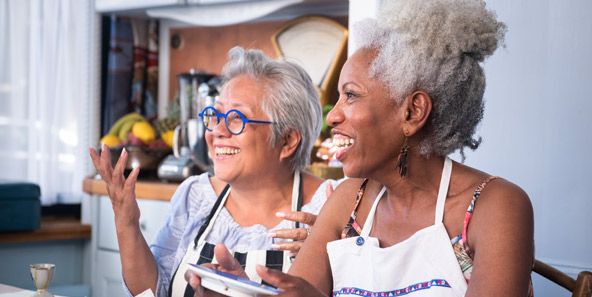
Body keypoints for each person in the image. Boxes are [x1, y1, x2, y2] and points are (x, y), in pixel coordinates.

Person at [187, 0, 535, 296]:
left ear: (412, 112)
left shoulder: (496, 206)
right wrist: (246, 289)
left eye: (350, 95)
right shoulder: (349, 200)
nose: (333, 116)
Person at [89, 46, 340, 297]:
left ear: (287, 141)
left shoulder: (329, 207)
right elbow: (154, 292)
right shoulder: (195, 196)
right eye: (215, 115)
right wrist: (126, 222)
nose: (216, 131)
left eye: (236, 118)